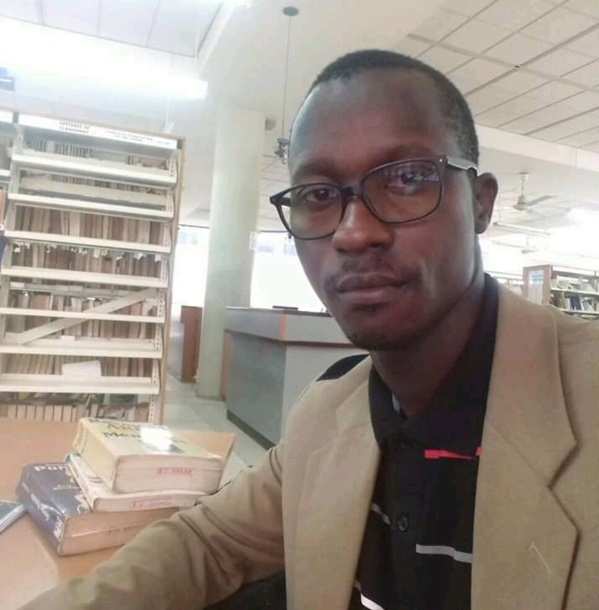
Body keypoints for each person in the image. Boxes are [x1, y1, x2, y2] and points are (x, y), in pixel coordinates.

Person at [20, 49, 599, 610]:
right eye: (318, 195)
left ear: (480, 203)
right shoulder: (328, 414)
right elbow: (206, 542)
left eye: (405, 179)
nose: (354, 232)